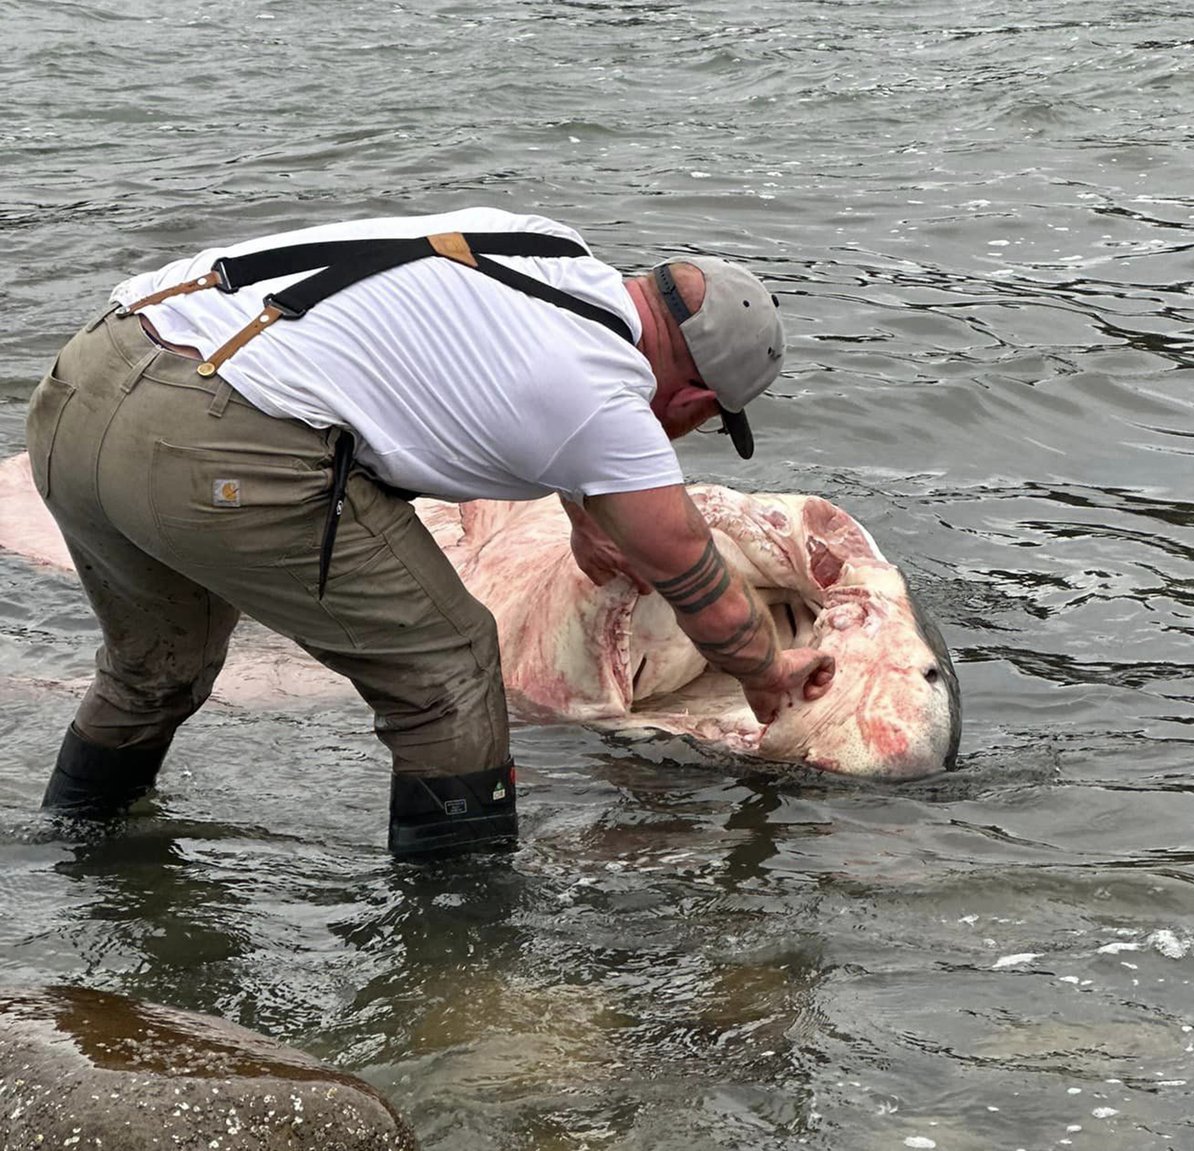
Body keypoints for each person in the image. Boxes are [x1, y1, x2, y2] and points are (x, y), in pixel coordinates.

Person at [26, 206, 836, 857]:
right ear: (698, 404)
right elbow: (693, 575)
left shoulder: (541, 242)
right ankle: (457, 955)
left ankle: (68, 851)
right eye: (697, 424)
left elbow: (476, 357)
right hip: (214, 442)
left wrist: (581, 512)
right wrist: (767, 670)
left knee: (154, 672)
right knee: (448, 669)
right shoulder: (608, 400)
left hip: (88, 380)